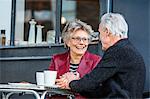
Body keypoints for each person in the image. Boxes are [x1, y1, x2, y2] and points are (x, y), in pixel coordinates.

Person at [57, 13, 146, 98]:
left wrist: (71, 82)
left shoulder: (118, 51)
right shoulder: (127, 49)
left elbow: (92, 81)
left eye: (100, 33)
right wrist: (77, 83)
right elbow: (102, 91)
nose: (99, 38)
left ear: (107, 32)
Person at [48, 19, 101, 98]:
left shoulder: (96, 61)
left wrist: (75, 83)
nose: (81, 43)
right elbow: (49, 84)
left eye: (85, 39)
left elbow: (98, 89)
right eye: (77, 38)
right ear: (68, 41)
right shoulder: (57, 60)